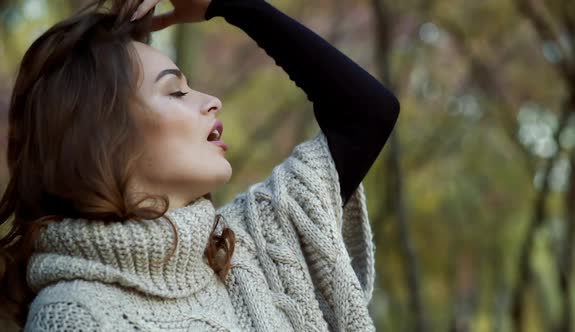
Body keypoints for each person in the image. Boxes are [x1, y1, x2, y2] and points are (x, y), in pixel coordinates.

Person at [0, 0, 400, 330]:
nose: (210, 100)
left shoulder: (251, 245)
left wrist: (232, 4)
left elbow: (367, 113)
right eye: (175, 92)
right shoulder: (73, 316)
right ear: (100, 138)